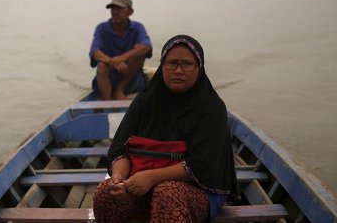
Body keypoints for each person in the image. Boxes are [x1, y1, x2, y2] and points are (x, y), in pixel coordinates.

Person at [93, 35, 239, 222]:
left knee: (166, 192)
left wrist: (152, 177)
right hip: (142, 186)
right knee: (107, 192)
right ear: (162, 66)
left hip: (198, 189)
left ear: (198, 68)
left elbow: (204, 164)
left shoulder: (212, 108)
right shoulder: (144, 102)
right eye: (171, 63)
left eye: (186, 64)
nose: (178, 70)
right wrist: (119, 177)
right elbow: (119, 149)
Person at [89, 0, 153, 100]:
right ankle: (107, 101)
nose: (115, 12)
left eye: (119, 8)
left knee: (140, 53)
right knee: (102, 65)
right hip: (108, 77)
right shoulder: (101, 28)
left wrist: (123, 57)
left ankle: (120, 89)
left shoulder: (138, 27)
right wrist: (112, 62)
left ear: (130, 12)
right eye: (113, 8)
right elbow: (94, 51)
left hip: (130, 77)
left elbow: (146, 46)